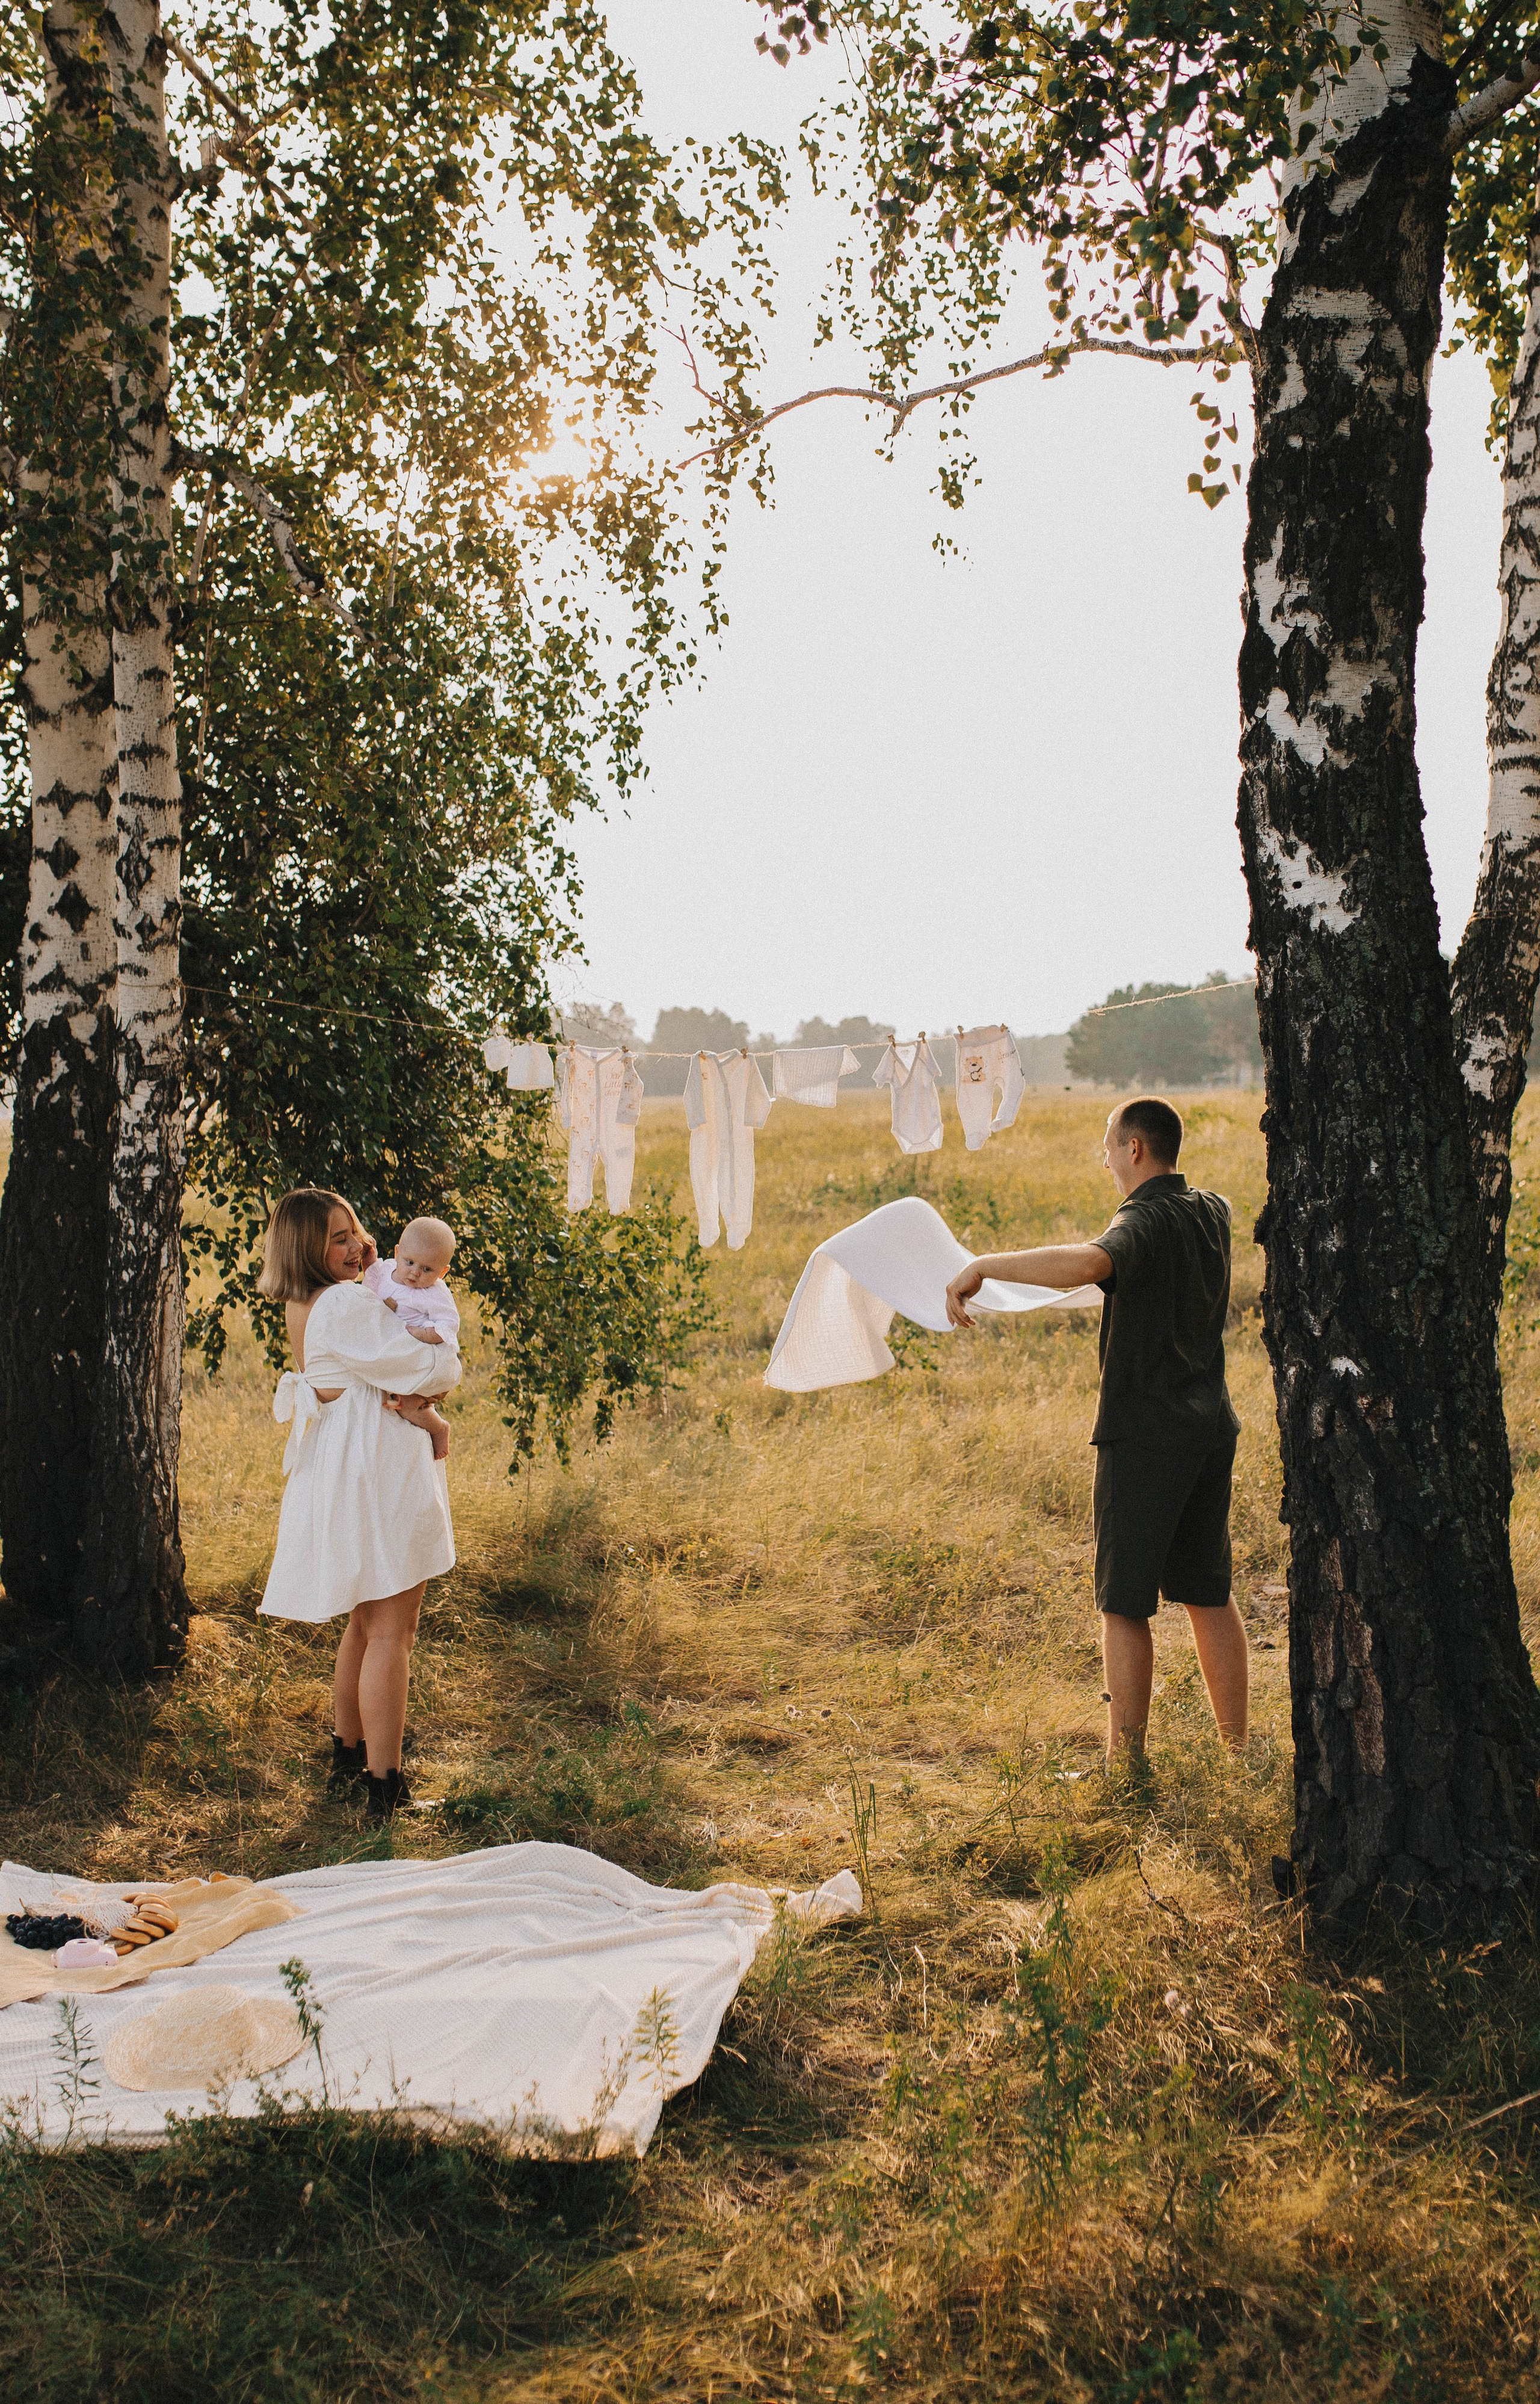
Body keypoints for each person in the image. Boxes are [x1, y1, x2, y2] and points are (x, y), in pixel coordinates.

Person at [944, 1096, 1248, 1765]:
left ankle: (1126, 1764)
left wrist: (984, 1264)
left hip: (1145, 1433)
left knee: (1123, 1602)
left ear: (1134, 1149)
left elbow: (1089, 1263)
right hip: (1209, 1425)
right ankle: (1236, 1750)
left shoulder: (1141, 1220)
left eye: (1108, 1143)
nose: (1104, 1155)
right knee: (1208, 1591)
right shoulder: (1212, 1210)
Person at [256, 1187, 462, 1820]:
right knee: (393, 1631)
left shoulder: (308, 1299)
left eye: (355, 1233)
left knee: (366, 1623)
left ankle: (348, 1751)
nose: (354, 1246)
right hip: (374, 1474)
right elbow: (431, 1372)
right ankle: (385, 1781)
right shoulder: (346, 1301)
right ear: (306, 1248)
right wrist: (445, 1355)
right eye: (337, 1238)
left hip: (349, 1468)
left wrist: (373, 1270)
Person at [363, 1217, 460, 1460]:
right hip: (393, 1349)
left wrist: (423, 1334)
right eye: (410, 1262)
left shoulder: (435, 1293)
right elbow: (371, 1281)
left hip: (418, 1350)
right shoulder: (386, 1271)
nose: (415, 1273)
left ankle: (438, 1427)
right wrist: (370, 1262)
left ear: (443, 1272)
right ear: (397, 1253)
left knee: (407, 1404)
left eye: (427, 1270)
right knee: (391, 1397)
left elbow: (449, 1324)